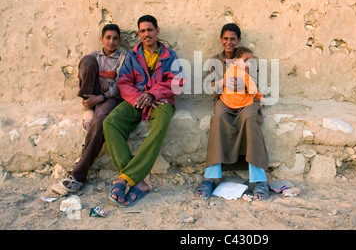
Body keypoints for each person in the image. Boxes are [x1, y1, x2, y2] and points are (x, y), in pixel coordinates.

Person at [103, 15, 185, 207]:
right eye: (142, 31)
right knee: (110, 122)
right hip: (136, 100)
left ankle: (125, 179)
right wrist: (139, 97)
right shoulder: (132, 56)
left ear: (157, 31)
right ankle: (137, 181)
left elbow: (177, 81)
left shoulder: (169, 55)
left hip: (162, 101)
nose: (146, 34)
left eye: (150, 30)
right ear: (139, 34)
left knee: (159, 127)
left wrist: (153, 94)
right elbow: (123, 82)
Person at [195, 23, 270, 201]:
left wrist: (244, 83)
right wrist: (221, 84)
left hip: (246, 100)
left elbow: (255, 84)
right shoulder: (215, 60)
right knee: (218, 117)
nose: (229, 43)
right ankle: (210, 177)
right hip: (225, 101)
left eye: (233, 39)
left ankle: (260, 180)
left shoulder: (249, 58)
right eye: (226, 39)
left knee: (250, 118)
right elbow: (210, 88)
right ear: (221, 39)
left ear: (239, 40)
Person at [57, 24, 126, 193]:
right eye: (108, 37)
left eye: (115, 38)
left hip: (109, 97)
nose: (111, 41)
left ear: (119, 41)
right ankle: (88, 107)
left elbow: (121, 83)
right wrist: (99, 79)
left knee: (100, 121)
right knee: (87, 61)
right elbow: (85, 74)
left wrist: (103, 95)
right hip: (92, 93)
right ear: (101, 39)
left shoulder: (123, 56)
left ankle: (78, 174)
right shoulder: (94, 57)